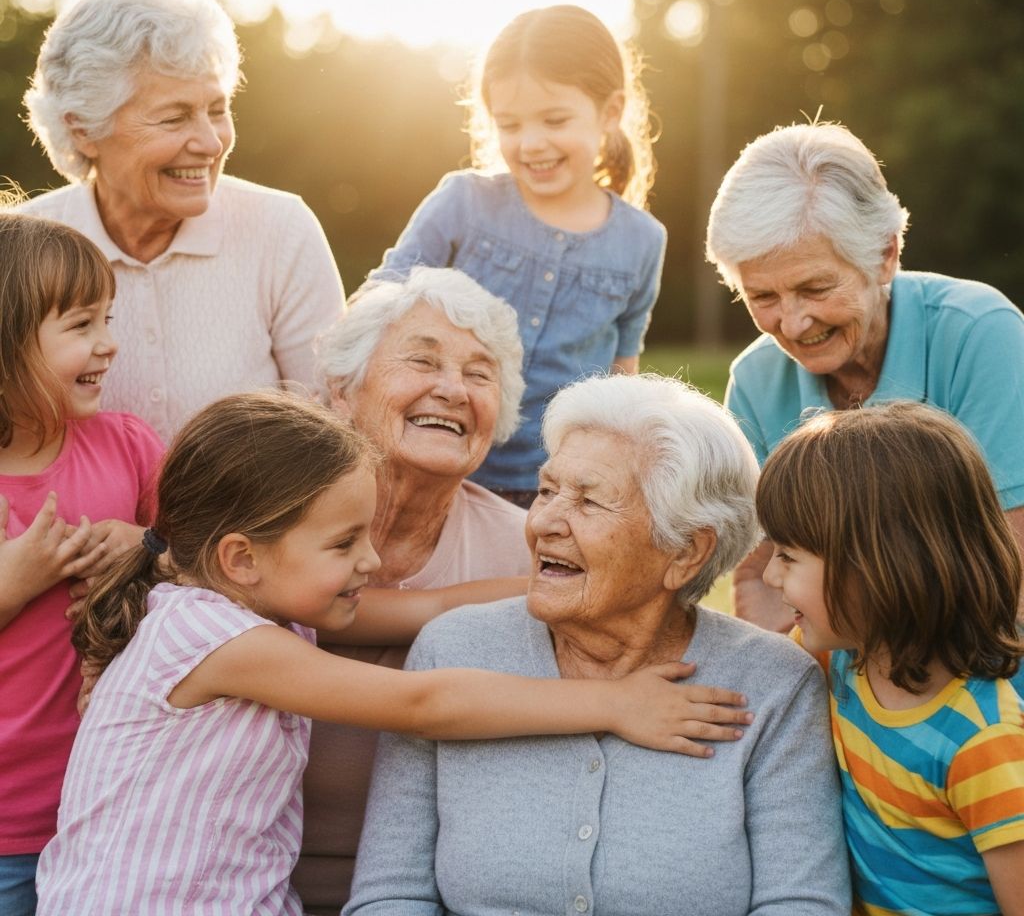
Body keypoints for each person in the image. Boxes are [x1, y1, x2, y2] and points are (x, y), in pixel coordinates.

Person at [35, 390, 751, 916]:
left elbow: (433, 605)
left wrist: (593, 582)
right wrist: (614, 703)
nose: (372, 561)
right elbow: (423, 702)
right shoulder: (209, 638)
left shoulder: (273, 610)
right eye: (344, 543)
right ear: (241, 558)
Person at [296, 267, 748, 912]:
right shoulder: (273, 532)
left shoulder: (548, 550)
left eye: (480, 375)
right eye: (423, 360)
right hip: (241, 877)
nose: (453, 389)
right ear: (342, 390)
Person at [345, 374, 851, 916]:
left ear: (686, 552)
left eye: (588, 502)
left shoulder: (772, 683)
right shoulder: (455, 650)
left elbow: (801, 903)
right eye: (546, 490)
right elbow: (389, 895)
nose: (543, 523)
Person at [705, 121, 1024, 633]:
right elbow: (760, 577)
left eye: (814, 287)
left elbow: (1012, 569)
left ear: (885, 256)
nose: (791, 323)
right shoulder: (757, 379)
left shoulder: (979, 334)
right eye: (762, 297)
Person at [19, 0, 343, 443]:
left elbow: (332, 432)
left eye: (217, 109)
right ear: (84, 129)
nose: (211, 143)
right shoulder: (20, 247)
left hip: (249, 518)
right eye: (174, 117)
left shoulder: (282, 229)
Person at [370, 5, 666, 505]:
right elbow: (376, 305)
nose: (531, 143)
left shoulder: (641, 240)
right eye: (509, 124)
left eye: (554, 119)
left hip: (552, 487)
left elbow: (622, 375)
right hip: (428, 467)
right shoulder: (463, 203)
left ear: (610, 112)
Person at [757, 403, 1024, 916]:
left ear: (877, 569)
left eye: (788, 556)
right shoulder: (840, 662)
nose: (770, 576)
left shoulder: (983, 743)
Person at [0, 213, 164, 916]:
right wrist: (17, 579)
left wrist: (145, 547)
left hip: (109, 804)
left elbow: (212, 561)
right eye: (81, 325)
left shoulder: (126, 447)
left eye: (108, 318)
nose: (109, 343)